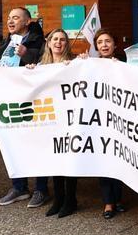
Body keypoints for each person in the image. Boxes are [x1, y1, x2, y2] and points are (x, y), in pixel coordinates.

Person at [0, 7, 49, 208]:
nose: (10, 21)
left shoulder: (38, 41)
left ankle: (41, 189)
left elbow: (46, 67)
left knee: (37, 144)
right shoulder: (6, 42)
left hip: (32, 101)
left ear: (28, 21)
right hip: (10, 100)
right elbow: (3, 68)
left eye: (15, 17)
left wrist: (27, 54)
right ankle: (19, 187)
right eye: (8, 18)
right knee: (14, 143)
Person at [29, 28, 82, 218]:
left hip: (70, 119)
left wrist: (79, 66)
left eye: (62, 40)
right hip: (50, 120)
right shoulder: (41, 66)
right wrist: (29, 73)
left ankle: (71, 200)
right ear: (48, 43)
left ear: (66, 44)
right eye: (55, 39)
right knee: (54, 161)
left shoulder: (74, 63)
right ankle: (59, 199)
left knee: (69, 159)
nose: (58, 43)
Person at [91, 28, 128, 218]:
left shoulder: (124, 64)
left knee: (119, 159)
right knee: (104, 160)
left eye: (107, 41)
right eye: (100, 42)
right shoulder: (90, 65)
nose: (104, 45)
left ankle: (118, 198)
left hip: (119, 120)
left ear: (114, 45)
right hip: (99, 120)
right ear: (96, 46)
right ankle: (108, 202)